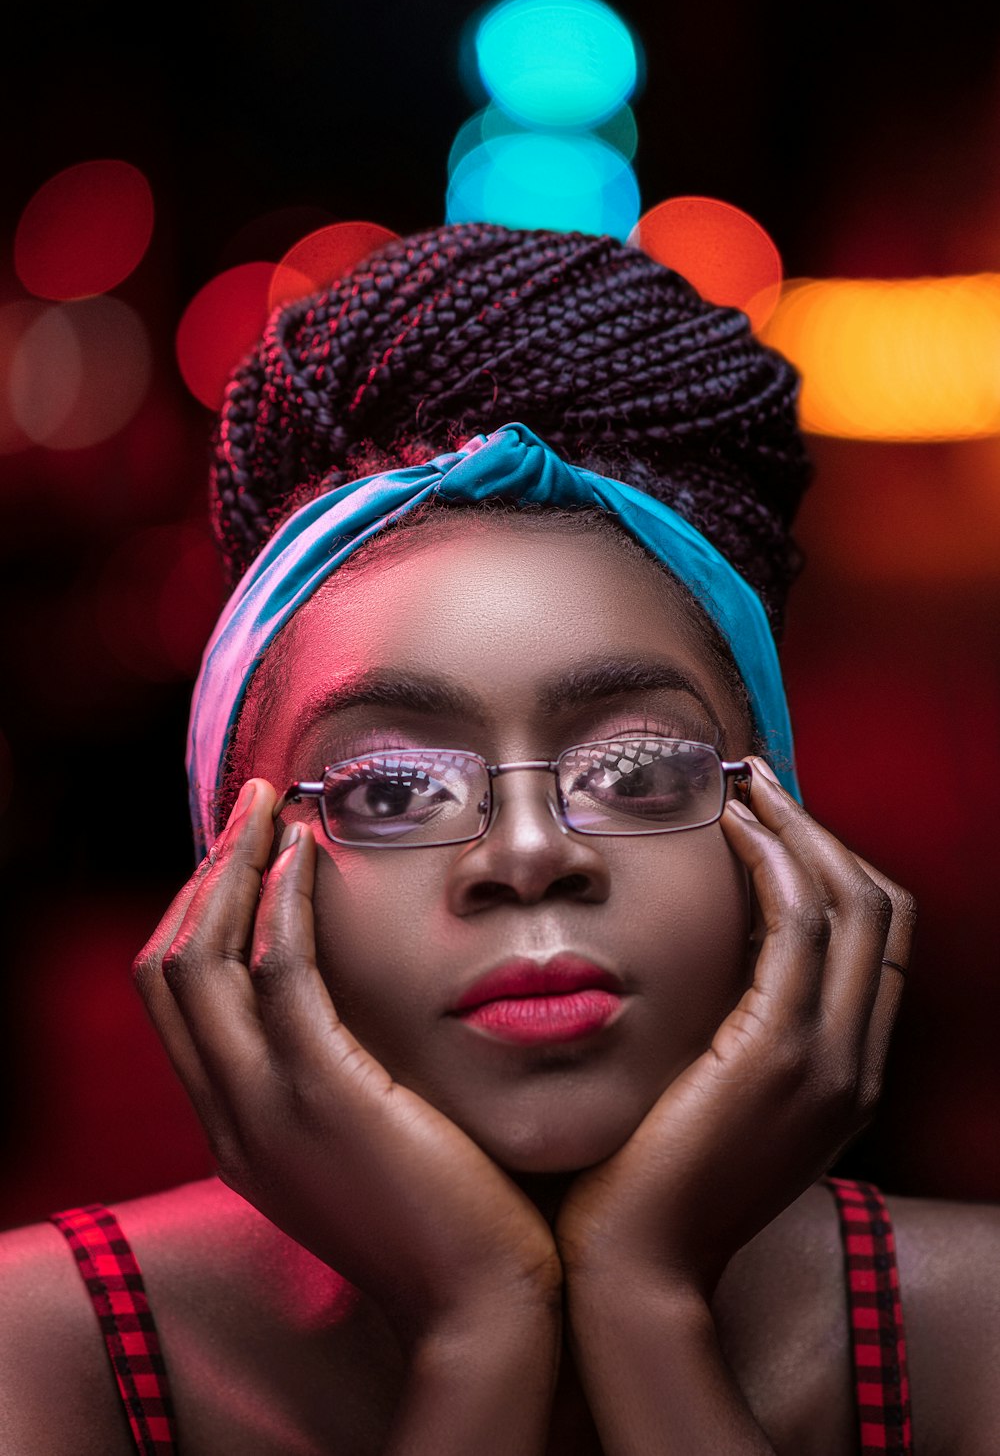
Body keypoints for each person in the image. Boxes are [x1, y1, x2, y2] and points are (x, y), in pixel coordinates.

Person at [1, 222, 997, 1456]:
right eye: (390, 788)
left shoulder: (978, 1336)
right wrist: (483, 1331)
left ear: (783, 835)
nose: (530, 855)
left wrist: (646, 1308)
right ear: (231, 882)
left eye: (635, 768)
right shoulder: (39, 1361)